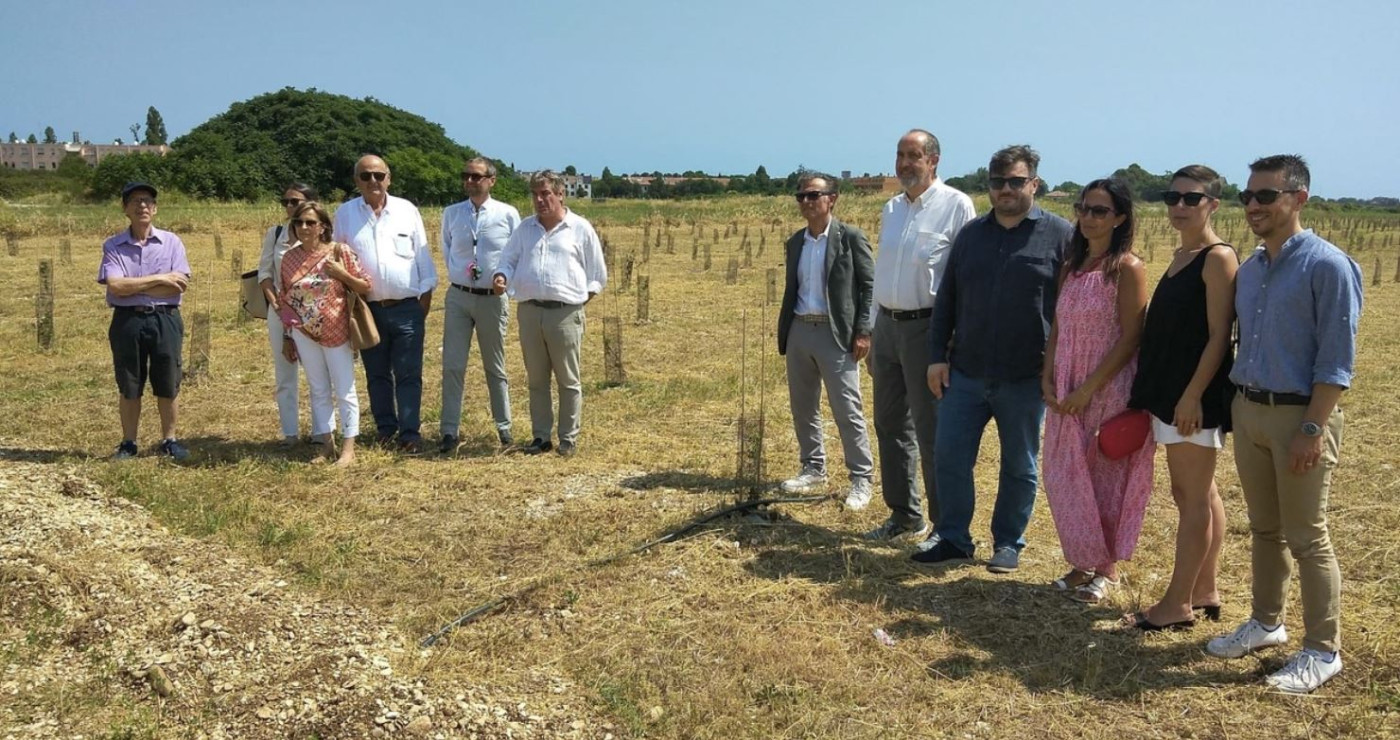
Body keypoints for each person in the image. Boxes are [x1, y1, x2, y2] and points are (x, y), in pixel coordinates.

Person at [1205, 155, 1363, 694]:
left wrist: (1312, 431)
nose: (1253, 206)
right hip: (1249, 411)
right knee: (1265, 530)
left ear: (1299, 198)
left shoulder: (1328, 266)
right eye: (1248, 196)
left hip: (1301, 416)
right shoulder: (1250, 269)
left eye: (1266, 196)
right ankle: (1267, 623)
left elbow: (1336, 361)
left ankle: (1323, 650)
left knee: (1307, 536)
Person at [915, 145, 1074, 572]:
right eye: (997, 182)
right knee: (949, 457)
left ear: (1034, 184)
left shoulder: (1061, 236)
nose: (1005, 190)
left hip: (1025, 376)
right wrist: (936, 356)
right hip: (965, 371)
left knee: (1019, 465)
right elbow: (947, 298)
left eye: (1016, 181)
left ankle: (1008, 542)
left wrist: (1060, 366)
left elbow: (1073, 308)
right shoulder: (971, 234)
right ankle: (952, 538)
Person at [1125, 165, 1238, 630]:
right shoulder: (1179, 255)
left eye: (1191, 199)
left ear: (1212, 204)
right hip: (1171, 391)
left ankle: (1177, 604)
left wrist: (1193, 396)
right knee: (1200, 492)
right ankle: (1205, 587)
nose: (1179, 207)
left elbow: (1219, 337)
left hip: (1192, 397)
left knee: (1190, 497)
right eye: (1172, 197)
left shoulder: (1217, 258)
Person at [1040, 178, 1151, 605]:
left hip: (1105, 388)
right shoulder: (1072, 266)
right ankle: (1082, 561)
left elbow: (1130, 338)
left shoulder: (1127, 268)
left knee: (1106, 478)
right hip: (1066, 386)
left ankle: (1105, 570)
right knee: (1067, 476)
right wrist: (1048, 377)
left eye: (1099, 211)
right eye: (1083, 209)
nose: (1088, 218)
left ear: (1120, 217)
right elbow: (1059, 329)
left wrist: (1089, 388)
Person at [865, 130, 975, 542]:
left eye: (914, 155)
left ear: (934, 160)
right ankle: (903, 516)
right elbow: (882, 272)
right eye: (900, 154)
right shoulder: (891, 208)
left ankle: (943, 524)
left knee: (932, 431)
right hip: (888, 326)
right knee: (889, 424)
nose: (906, 163)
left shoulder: (955, 205)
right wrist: (875, 329)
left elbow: (964, 277)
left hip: (928, 329)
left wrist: (949, 341)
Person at [775, 172, 876, 508]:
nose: (806, 202)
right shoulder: (795, 242)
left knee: (847, 408)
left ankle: (861, 479)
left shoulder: (850, 237)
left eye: (814, 195)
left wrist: (863, 331)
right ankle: (813, 467)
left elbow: (868, 286)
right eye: (801, 196)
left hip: (837, 334)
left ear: (832, 198)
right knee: (803, 407)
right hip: (801, 329)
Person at [492, 171, 607, 457]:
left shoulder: (579, 228)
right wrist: (501, 276)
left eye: (546, 194)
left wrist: (576, 304)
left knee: (568, 380)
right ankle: (540, 437)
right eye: (535, 194)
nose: (540, 200)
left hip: (565, 314)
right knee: (536, 380)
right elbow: (508, 260)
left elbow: (597, 275)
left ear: (560, 194)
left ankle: (568, 439)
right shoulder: (525, 229)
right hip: (530, 312)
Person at [332, 154, 438, 453]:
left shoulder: (407, 210)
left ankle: (409, 433)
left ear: (389, 178)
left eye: (379, 175)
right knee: (376, 374)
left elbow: (423, 259)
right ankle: (386, 429)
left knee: (408, 374)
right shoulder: (346, 214)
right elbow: (338, 260)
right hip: (367, 309)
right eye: (366, 176)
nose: (373, 182)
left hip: (407, 307)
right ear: (357, 181)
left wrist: (423, 302)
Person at [98, 182, 192, 461]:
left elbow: (179, 285)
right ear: (125, 209)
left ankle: (169, 439)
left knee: (168, 380)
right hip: (127, 321)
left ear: (155, 208)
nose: (142, 206)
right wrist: (160, 279)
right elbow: (116, 286)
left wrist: (135, 284)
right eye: (136, 201)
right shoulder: (113, 245)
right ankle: (129, 442)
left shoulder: (172, 242)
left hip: (166, 320)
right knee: (129, 382)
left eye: (148, 200)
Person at [279, 201, 373, 467]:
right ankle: (326, 446)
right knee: (318, 389)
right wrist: (288, 335)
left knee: (344, 389)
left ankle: (349, 449)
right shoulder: (289, 259)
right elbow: (286, 299)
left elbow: (365, 285)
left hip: (336, 331)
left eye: (311, 222)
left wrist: (341, 274)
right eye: (299, 222)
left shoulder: (339, 252)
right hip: (303, 333)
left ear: (323, 227)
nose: (304, 227)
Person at [439, 157, 521, 454]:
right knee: (452, 365)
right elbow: (448, 250)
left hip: (492, 299)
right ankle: (448, 430)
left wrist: (504, 282)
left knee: (495, 366)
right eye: (467, 177)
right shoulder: (451, 214)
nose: (471, 182)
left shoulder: (508, 214)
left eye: (477, 177)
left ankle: (504, 429)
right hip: (459, 296)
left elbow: (515, 255)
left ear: (492, 180)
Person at [257, 182, 318, 445]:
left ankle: (321, 432)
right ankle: (290, 434)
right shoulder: (276, 233)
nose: (290, 207)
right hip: (280, 311)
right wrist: (277, 305)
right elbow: (265, 273)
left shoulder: (321, 231)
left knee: (318, 373)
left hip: (314, 312)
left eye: (295, 202)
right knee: (285, 372)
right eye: (286, 202)